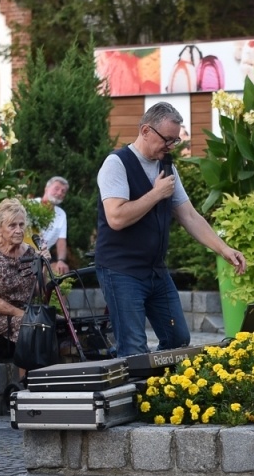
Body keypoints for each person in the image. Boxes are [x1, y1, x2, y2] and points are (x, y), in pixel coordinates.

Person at [96, 102, 245, 357]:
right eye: (167, 139)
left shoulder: (167, 167)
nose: (171, 146)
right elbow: (116, 218)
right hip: (121, 270)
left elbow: (188, 215)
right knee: (133, 348)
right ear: (145, 131)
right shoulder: (116, 164)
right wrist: (155, 194)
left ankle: (157, 385)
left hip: (155, 270)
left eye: (175, 141)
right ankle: (132, 385)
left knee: (177, 339)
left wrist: (223, 249)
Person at [0, 197, 45, 381]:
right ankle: (26, 384)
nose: (19, 230)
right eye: (12, 225)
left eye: (21, 225)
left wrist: (44, 265)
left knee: (57, 323)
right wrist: (21, 314)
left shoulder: (30, 253)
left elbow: (41, 292)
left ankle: (54, 379)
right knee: (27, 325)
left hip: (26, 311)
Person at [38, 176, 71, 277]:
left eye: (63, 191)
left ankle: (55, 293)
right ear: (46, 188)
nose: (60, 193)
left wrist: (61, 260)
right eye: (56, 188)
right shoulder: (31, 205)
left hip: (43, 257)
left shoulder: (61, 214)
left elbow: (61, 240)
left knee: (61, 270)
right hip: (22, 254)